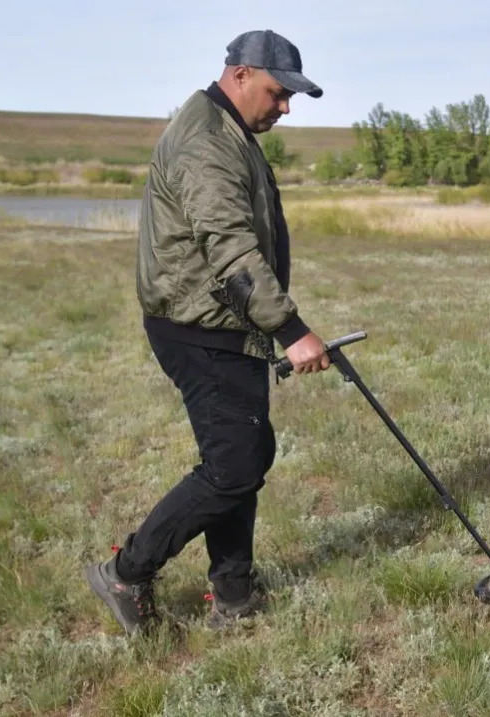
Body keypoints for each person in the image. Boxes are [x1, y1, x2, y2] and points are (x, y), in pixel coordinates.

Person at [85, 29, 330, 635]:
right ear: (240, 74)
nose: (285, 108)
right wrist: (293, 330)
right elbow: (230, 251)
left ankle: (234, 592)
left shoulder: (229, 128)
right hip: (199, 326)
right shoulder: (206, 141)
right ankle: (127, 571)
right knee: (234, 464)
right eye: (278, 93)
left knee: (242, 453)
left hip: (222, 322)